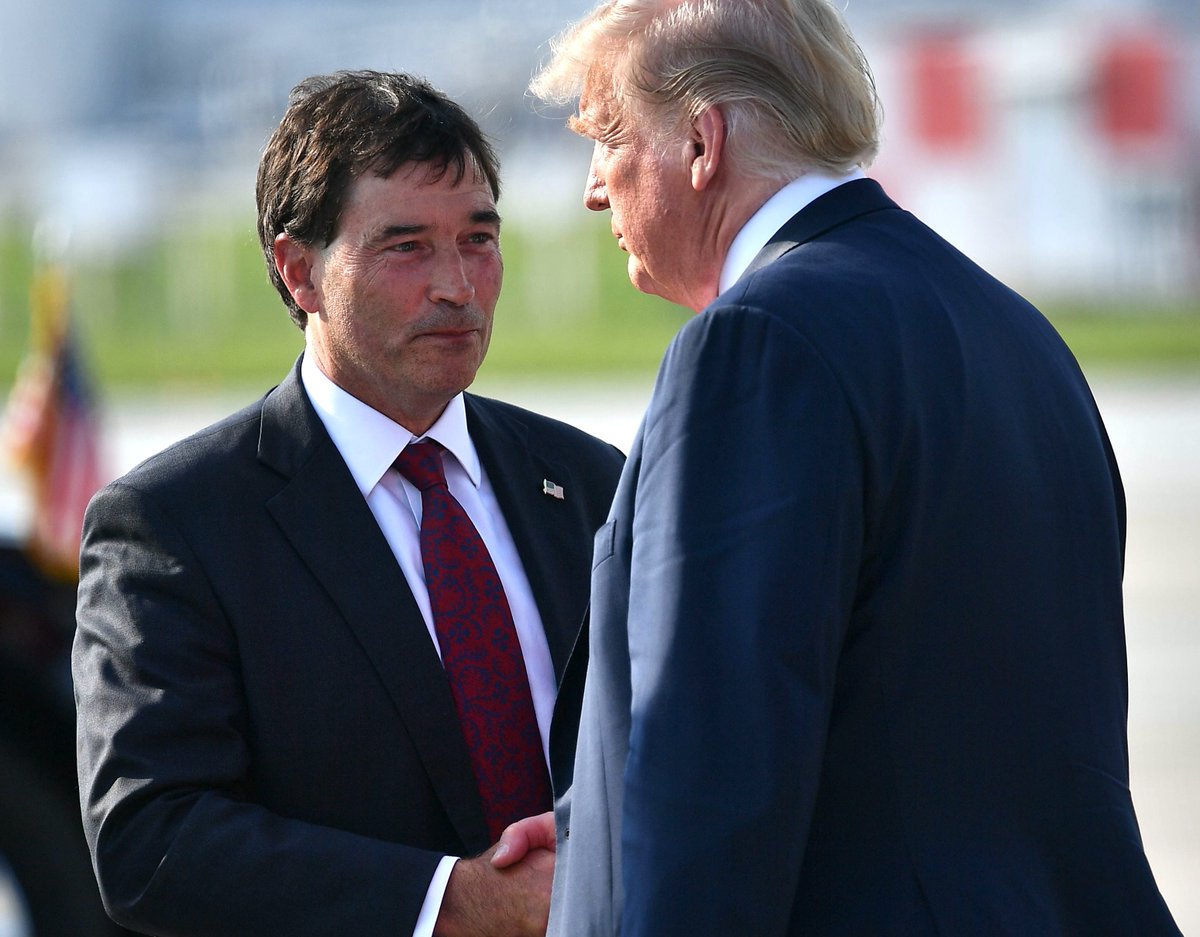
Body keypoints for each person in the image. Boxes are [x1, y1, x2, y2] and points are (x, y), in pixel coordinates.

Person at [517, 2, 1184, 934]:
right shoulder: (1017, 330)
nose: (594, 187)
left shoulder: (756, 342)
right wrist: (595, 827)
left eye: (608, 137)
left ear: (702, 143)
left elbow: (713, 775)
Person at [72, 69, 623, 937]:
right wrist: (452, 902)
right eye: (407, 247)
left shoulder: (590, 482)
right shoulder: (175, 525)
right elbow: (150, 836)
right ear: (299, 271)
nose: (457, 285)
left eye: (478, 239)